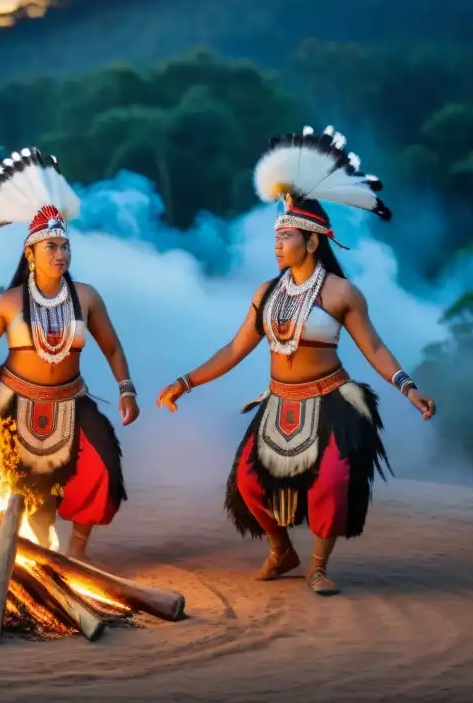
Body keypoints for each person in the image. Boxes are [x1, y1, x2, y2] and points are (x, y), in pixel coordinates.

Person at [157, 125, 436, 596]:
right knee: (247, 480)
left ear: (311, 241)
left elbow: (375, 349)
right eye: (276, 235)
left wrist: (409, 388)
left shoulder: (342, 293)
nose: (277, 243)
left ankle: (319, 565)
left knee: (331, 479)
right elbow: (233, 349)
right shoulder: (266, 293)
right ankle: (280, 549)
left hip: (332, 400)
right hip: (278, 402)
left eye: (286, 236)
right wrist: (185, 382)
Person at [0, 147, 139, 559]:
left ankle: (76, 555)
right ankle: (28, 552)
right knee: (18, 484)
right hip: (13, 401)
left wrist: (126, 389)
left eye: (64, 246)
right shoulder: (7, 303)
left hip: (72, 399)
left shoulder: (85, 296)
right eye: (50, 247)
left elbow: (111, 346)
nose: (60, 254)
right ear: (30, 254)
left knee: (101, 466)